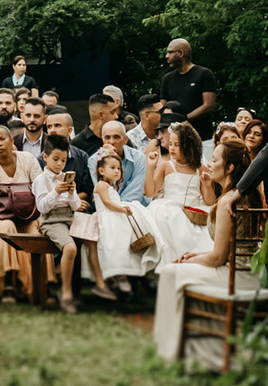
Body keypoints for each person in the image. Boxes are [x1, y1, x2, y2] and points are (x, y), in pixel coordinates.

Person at [153, 186, 267, 368]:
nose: (210, 165)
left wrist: (187, 262)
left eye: (214, 160)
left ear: (229, 167)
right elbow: (228, 251)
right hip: (253, 273)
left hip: (235, 276)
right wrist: (195, 257)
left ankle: (169, 353)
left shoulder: (227, 201)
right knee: (184, 272)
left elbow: (217, 258)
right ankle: (206, 352)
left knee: (170, 272)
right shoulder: (251, 194)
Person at [0, 121, 42, 304]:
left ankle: (39, 283)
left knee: (36, 230)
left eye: (2, 139)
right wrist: (21, 201)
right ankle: (9, 283)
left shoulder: (28, 159)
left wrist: (34, 214)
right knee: (7, 227)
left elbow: (40, 188)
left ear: (11, 140)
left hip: (30, 214)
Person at [32, 136, 90, 313]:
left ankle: (99, 284)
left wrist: (72, 193)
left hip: (69, 217)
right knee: (70, 248)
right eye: (55, 159)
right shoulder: (41, 180)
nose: (59, 164)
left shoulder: (66, 178)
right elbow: (41, 207)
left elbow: (75, 206)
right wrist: (55, 193)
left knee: (93, 236)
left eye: (63, 160)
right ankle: (66, 292)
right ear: (45, 157)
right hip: (52, 220)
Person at [143, 122, 210, 266]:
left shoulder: (200, 168)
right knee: (174, 219)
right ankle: (172, 262)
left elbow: (209, 201)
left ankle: (193, 262)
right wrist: (150, 167)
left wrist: (207, 184)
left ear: (189, 145)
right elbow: (149, 192)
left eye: (177, 145)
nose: (172, 148)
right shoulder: (166, 165)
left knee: (205, 233)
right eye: (171, 144)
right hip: (170, 207)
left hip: (194, 210)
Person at [92, 151, 155, 291]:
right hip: (108, 217)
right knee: (114, 243)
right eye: (112, 167)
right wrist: (122, 209)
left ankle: (125, 273)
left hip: (115, 215)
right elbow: (107, 203)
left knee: (124, 241)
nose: (117, 171)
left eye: (119, 168)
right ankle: (117, 274)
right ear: (101, 171)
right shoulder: (101, 185)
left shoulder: (111, 186)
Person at [161, 40, 217, 132]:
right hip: (175, 137)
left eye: (170, 52)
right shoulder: (168, 78)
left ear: (181, 53)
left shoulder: (204, 74)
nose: (167, 56)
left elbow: (208, 105)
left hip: (202, 136)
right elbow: (163, 106)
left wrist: (183, 119)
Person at [87, 119, 146, 205]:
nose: (111, 141)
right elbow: (106, 191)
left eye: (116, 137)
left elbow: (136, 192)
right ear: (102, 139)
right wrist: (109, 158)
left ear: (125, 140)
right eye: (107, 137)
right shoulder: (94, 160)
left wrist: (121, 208)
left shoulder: (139, 157)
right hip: (108, 206)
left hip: (133, 206)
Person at [73, 92, 117, 159]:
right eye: (112, 112)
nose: (116, 116)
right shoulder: (77, 144)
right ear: (101, 115)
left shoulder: (120, 137)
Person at [16, 92, 47, 159]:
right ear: (22, 117)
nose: (32, 119)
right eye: (28, 115)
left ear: (44, 119)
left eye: (36, 116)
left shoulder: (52, 143)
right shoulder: (14, 142)